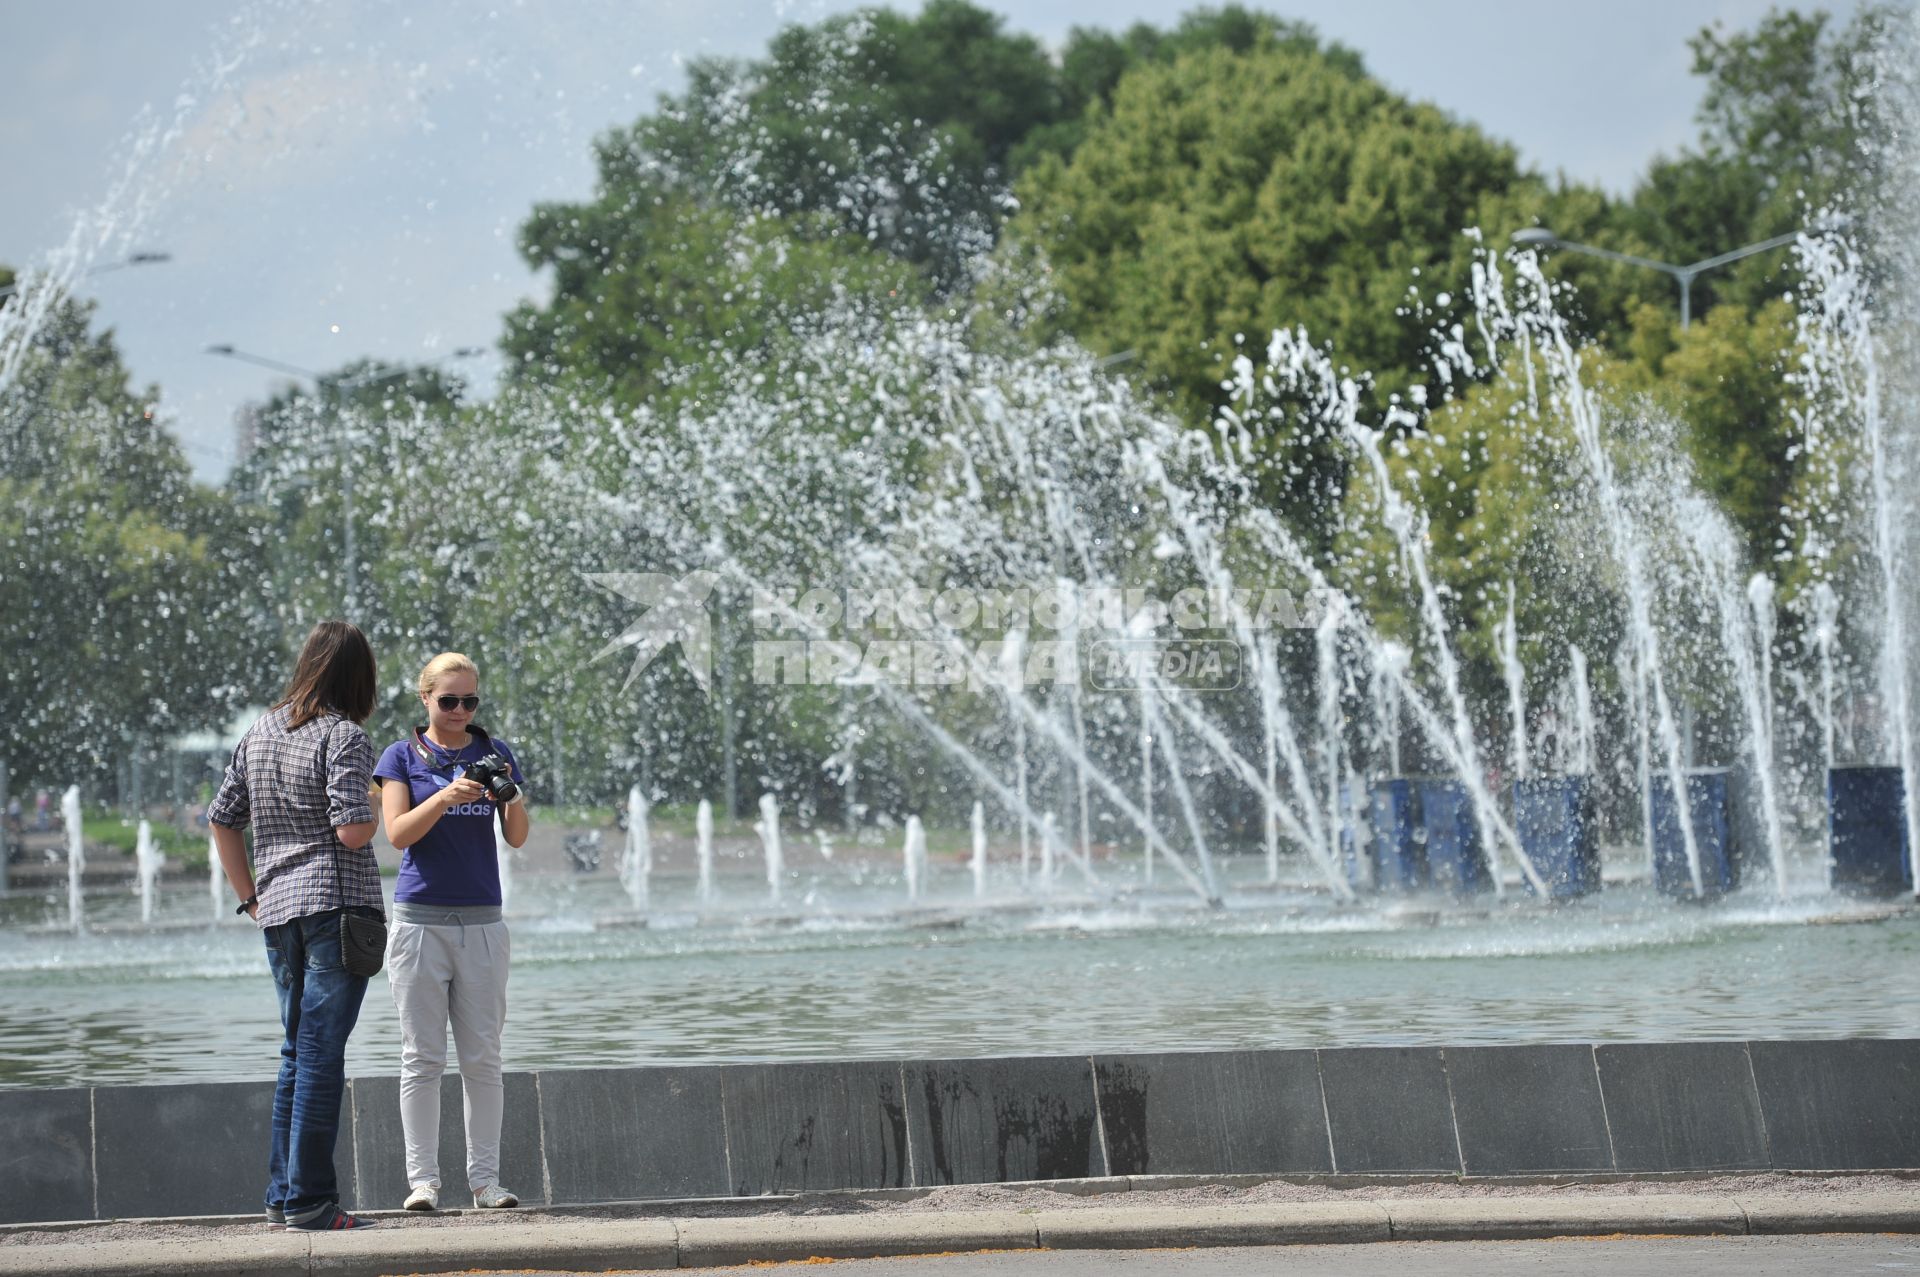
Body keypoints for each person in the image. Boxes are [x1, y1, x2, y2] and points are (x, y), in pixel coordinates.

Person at [208, 620, 382, 1232]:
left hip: (278, 911)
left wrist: (250, 897)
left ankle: (283, 1198)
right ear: (358, 676)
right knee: (320, 1055)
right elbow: (354, 831)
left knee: (295, 1054)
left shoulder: (259, 730)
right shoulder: (344, 736)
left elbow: (223, 819)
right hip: (336, 910)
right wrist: (379, 801)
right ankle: (312, 1202)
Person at [375, 652, 529, 1211]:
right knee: (422, 1057)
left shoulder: (496, 752)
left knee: (483, 1056)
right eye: (449, 701)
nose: (460, 710)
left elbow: (516, 837)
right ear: (425, 700)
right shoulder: (400, 757)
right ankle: (424, 1183)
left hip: (483, 922)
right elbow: (396, 834)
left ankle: (486, 1183)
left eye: (470, 701)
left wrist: (506, 792)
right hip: (420, 924)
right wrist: (443, 795)